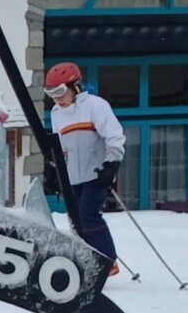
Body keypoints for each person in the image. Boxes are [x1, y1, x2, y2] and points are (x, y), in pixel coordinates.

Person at [42, 61, 126, 274]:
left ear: (75, 87)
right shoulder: (56, 113)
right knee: (76, 219)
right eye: (51, 93)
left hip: (96, 174)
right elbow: (59, 146)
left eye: (60, 92)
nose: (57, 99)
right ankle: (86, 262)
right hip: (72, 177)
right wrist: (53, 171)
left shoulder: (95, 106)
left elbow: (114, 135)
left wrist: (111, 164)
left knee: (88, 214)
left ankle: (108, 261)